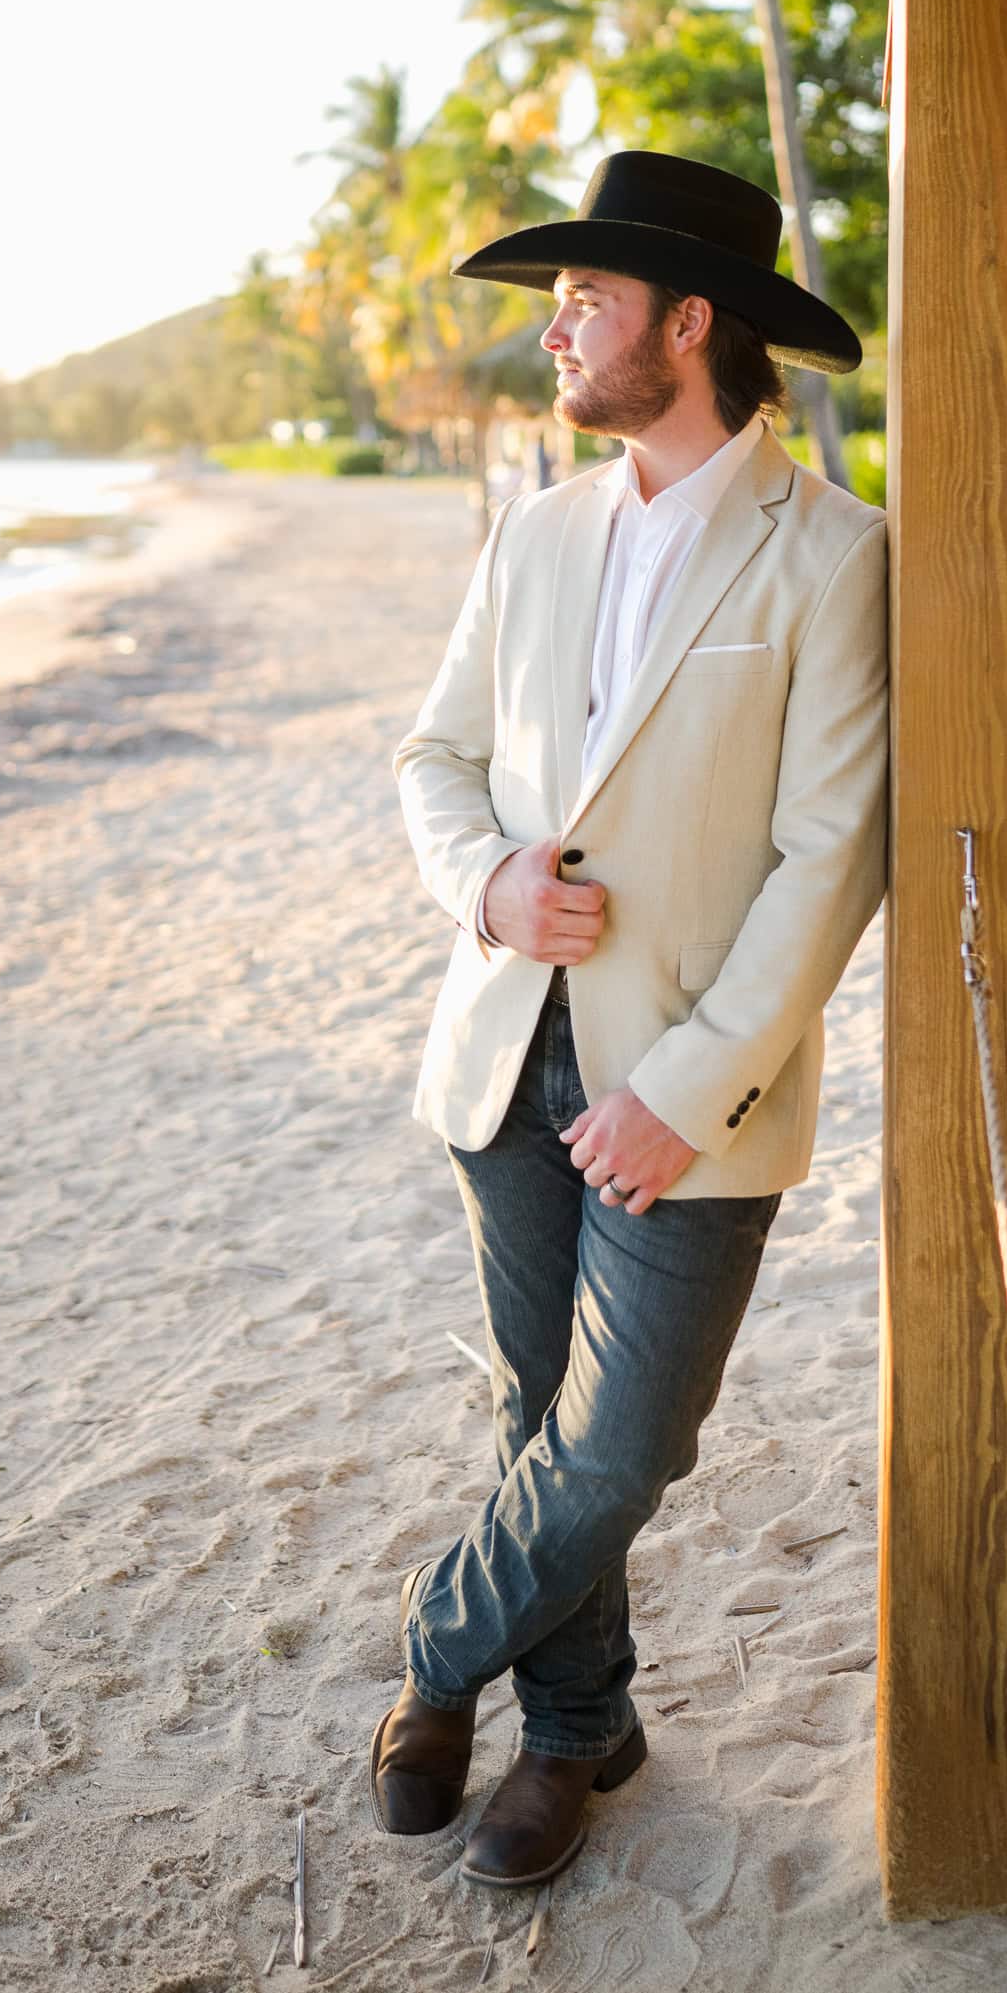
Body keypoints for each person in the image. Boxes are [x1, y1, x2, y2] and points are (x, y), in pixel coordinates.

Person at [376, 150, 888, 1889]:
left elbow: (833, 856)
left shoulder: (834, 556)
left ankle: (439, 1642)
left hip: (693, 1093)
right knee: (538, 1412)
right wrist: (489, 885)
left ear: (690, 322)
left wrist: (684, 1086)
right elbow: (435, 762)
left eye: (585, 295)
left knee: (624, 1441)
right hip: (505, 1052)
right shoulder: (533, 530)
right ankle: (581, 1732)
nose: (556, 325)